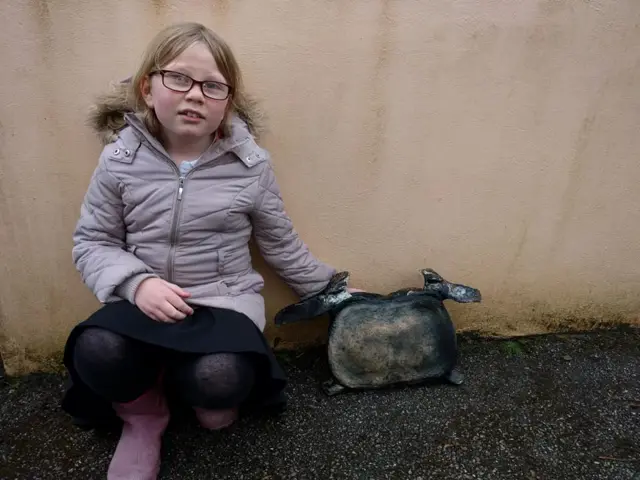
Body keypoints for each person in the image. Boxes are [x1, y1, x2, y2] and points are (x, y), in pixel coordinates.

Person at [61, 21, 356, 480]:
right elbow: (93, 242)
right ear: (147, 87)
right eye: (179, 78)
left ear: (228, 103)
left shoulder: (250, 166)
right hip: (142, 304)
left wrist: (336, 292)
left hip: (222, 301)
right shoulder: (120, 161)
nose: (195, 95)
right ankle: (143, 417)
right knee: (97, 350)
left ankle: (197, 389)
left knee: (220, 379)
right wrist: (137, 284)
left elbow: (279, 243)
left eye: (213, 86)